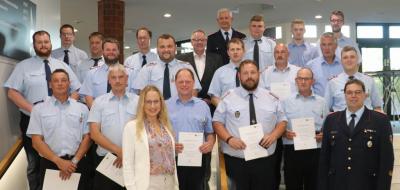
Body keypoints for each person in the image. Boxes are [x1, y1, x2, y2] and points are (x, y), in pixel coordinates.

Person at [4, 30, 80, 190]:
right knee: (34, 163)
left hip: (60, 120)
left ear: (51, 43)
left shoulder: (62, 65)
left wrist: (67, 107)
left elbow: (76, 89)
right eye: (40, 42)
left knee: (58, 157)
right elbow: (12, 92)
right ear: (34, 45)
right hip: (32, 120)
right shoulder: (23, 66)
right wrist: (36, 111)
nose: (44, 45)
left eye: (46, 42)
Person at [213, 59, 287, 190]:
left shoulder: (271, 97)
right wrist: (229, 139)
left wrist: (274, 135)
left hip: (265, 160)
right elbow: (217, 122)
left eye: (253, 72)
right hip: (237, 160)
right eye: (245, 73)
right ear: (239, 76)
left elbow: (282, 121)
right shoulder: (228, 97)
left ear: (258, 74)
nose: (249, 76)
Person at [318, 79, 394, 190]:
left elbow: (386, 160)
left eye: (358, 92)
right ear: (345, 95)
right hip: (337, 184)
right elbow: (324, 159)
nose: (353, 96)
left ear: (365, 95)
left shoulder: (380, 120)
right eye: (349, 92)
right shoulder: (331, 120)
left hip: (367, 184)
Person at [27, 69, 90, 190]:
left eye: (63, 80)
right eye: (56, 81)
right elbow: (36, 141)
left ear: (69, 83)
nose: (60, 83)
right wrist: (59, 162)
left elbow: (88, 137)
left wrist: (74, 162)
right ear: (50, 84)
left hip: (77, 163)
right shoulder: (39, 109)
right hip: (50, 163)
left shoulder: (82, 108)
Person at [88, 64, 139, 190]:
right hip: (107, 160)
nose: (117, 81)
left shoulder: (138, 101)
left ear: (127, 79)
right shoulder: (99, 102)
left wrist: (125, 153)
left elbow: (143, 130)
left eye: (121, 77)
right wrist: (118, 151)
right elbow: (94, 133)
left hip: (133, 159)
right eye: (113, 77)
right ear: (108, 80)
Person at [166, 68, 215, 190]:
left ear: (193, 83)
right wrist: (169, 144)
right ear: (175, 83)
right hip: (172, 159)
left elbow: (210, 133)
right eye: (181, 81)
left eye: (187, 81)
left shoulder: (203, 106)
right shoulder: (165, 106)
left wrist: (210, 143)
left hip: (197, 159)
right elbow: (158, 134)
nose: (184, 84)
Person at [123, 85, 179, 190]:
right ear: (142, 104)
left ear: (161, 103)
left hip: (170, 182)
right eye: (148, 102)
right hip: (148, 184)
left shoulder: (166, 126)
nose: (152, 106)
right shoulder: (131, 127)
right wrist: (131, 187)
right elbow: (128, 164)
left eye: (156, 101)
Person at [282, 68, 328, 190]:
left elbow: (328, 127)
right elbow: (279, 125)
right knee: (292, 185)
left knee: (314, 185)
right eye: (300, 78)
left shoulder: (322, 102)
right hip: (292, 150)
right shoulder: (285, 102)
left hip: (315, 150)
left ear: (312, 81)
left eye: (306, 79)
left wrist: (324, 135)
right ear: (296, 81)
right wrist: (284, 133)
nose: (303, 82)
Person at [132, 34, 201, 100]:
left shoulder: (186, 67)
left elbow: (194, 92)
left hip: (181, 110)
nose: (166, 50)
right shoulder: (147, 69)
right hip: (154, 110)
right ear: (157, 49)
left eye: (169, 46)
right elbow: (141, 93)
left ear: (175, 48)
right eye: (162, 47)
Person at [325, 46, 382, 112]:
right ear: (341, 61)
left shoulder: (369, 81)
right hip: (340, 121)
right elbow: (325, 109)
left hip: (366, 120)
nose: (349, 60)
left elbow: (378, 106)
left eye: (352, 57)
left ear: (357, 59)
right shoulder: (332, 83)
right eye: (345, 57)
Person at [79, 37, 123, 108]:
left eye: (114, 50)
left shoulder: (128, 73)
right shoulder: (91, 73)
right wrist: (98, 115)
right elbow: (88, 97)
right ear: (103, 51)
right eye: (107, 50)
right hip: (99, 115)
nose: (111, 52)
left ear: (119, 51)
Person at [208, 38, 246, 107]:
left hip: (248, 112)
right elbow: (214, 97)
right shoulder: (219, 72)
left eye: (238, 49)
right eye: (232, 49)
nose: (235, 52)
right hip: (227, 114)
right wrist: (224, 109)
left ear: (243, 51)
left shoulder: (251, 71)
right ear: (228, 52)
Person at [306, 32, 343, 96]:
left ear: (335, 46)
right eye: (324, 44)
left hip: (338, 105)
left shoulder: (343, 65)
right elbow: (307, 87)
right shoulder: (311, 65)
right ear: (320, 46)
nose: (326, 48)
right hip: (318, 104)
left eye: (330, 44)